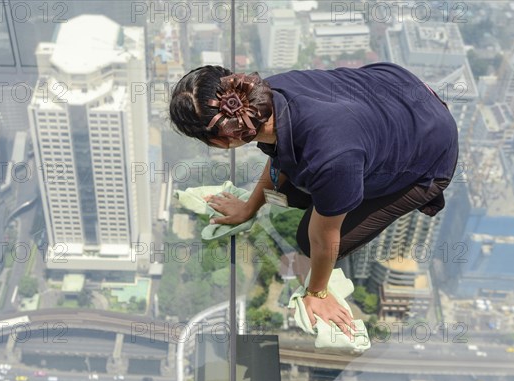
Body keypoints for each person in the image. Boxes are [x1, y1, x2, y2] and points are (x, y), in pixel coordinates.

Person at [169, 63, 459, 338]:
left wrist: (316, 293)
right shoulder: (270, 93)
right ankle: (329, 191)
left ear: (220, 142)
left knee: (309, 241)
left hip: (431, 149)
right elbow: (281, 157)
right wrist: (249, 208)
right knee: (295, 189)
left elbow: (323, 239)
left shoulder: (332, 159)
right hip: (397, 89)